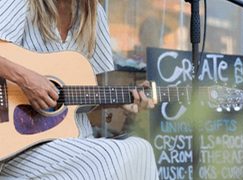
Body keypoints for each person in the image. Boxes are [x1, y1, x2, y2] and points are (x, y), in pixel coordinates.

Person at [0, 0, 159, 179]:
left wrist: (124, 99)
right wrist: (26, 79)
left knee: (141, 148)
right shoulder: (22, 2)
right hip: (21, 151)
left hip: (76, 143)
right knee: (114, 155)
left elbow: (83, 100)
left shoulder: (93, 14)